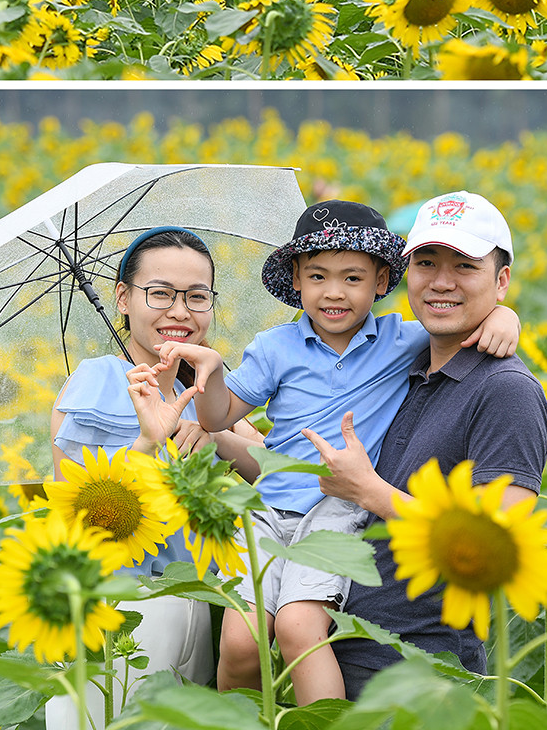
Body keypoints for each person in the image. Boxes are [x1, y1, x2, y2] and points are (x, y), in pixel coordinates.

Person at [158, 201, 520, 704]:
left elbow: (459, 322)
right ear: (297, 281)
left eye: (352, 277)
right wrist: (211, 373)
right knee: (240, 638)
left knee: (299, 627)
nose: (334, 292)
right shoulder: (275, 347)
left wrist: (505, 315)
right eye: (318, 277)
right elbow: (217, 417)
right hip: (266, 509)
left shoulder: (403, 339)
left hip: (338, 505)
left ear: (379, 282)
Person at [311, 193, 547, 697]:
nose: (441, 281)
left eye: (464, 266)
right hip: (343, 651)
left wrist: (369, 492)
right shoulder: (402, 365)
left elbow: (495, 539)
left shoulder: (505, 390)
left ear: (501, 281)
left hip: (422, 669)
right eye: (425, 263)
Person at [45, 228, 267, 730]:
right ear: (123, 298)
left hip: (201, 601)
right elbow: (78, 513)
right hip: (117, 608)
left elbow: (274, 472)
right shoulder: (95, 381)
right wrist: (148, 441)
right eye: (160, 293)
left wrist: (216, 438)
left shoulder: (206, 385)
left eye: (197, 296)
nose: (180, 312)